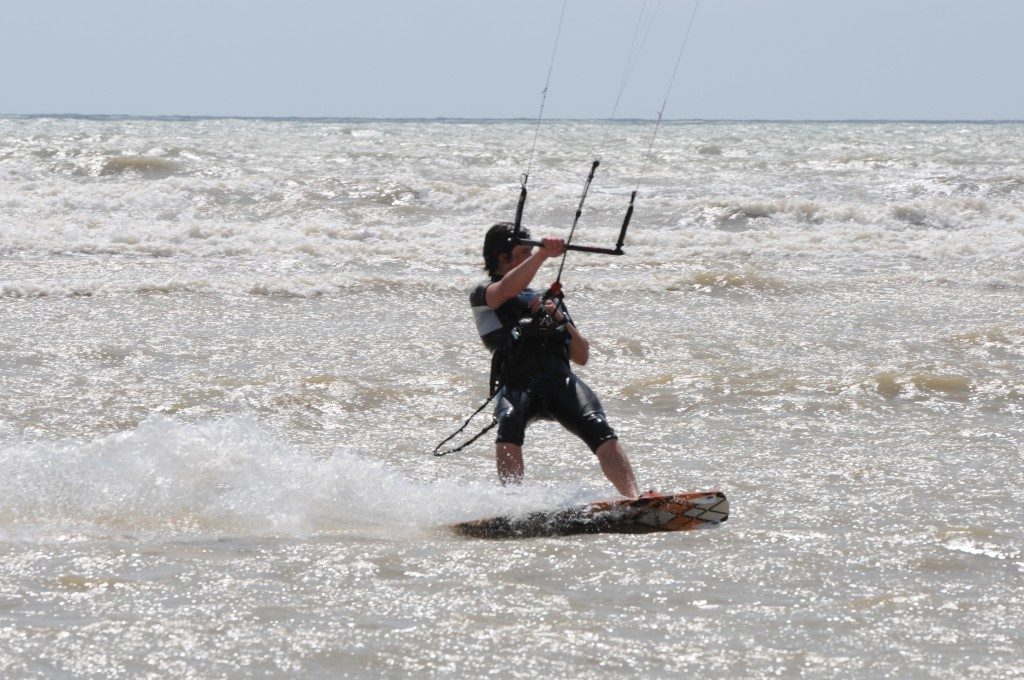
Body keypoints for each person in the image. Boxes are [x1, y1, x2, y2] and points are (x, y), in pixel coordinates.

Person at [469, 222, 640, 498]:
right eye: (525, 252)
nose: (532, 257)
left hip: (560, 382)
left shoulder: (549, 299)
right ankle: (514, 503)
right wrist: (543, 254)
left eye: (531, 252)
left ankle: (635, 498)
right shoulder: (483, 294)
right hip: (517, 384)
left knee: (600, 429)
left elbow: (582, 355)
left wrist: (559, 317)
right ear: (503, 258)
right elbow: (507, 291)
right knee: (509, 421)